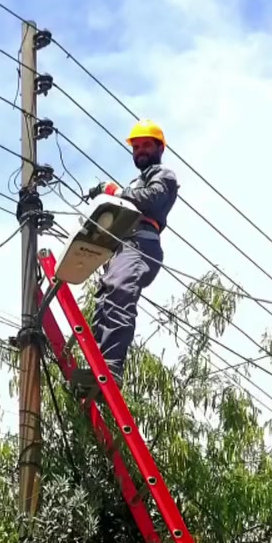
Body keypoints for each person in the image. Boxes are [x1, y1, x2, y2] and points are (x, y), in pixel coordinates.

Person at [86, 119, 178, 390]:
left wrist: (114, 192)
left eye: (146, 145)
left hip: (141, 244)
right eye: (136, 147)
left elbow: (148, 199)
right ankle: (99, 363)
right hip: (123, 245)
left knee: (118, 292)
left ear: (160, 147)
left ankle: (111, 367)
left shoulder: (165, 176)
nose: (140, 151)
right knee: (105, 300)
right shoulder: (135, 182)